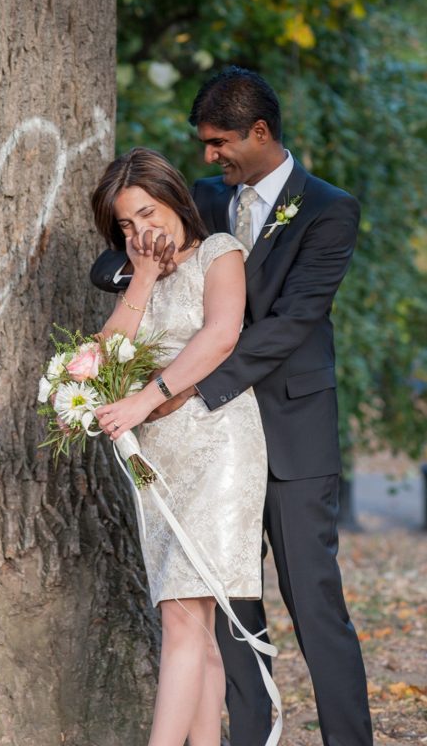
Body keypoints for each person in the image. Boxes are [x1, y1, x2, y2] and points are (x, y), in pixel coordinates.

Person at [91, 66, 373, 746]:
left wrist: (189, 387)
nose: (208, 157)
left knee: (313, 605)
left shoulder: (328, 210)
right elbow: (111, 265)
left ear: (259, 131)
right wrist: (141, 262)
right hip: (203, 442)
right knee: (229, 610)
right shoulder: (209, 199)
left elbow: (289, 323)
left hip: (287, 435)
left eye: (218, 143)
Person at [90, 146, 273, 746]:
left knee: (182, 616)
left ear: (174, 199)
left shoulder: (218, 252)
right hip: (156, 459)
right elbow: (99, 358)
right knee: (195, 621)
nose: (141, 229)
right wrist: (140, 277)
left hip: (218, 442)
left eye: (147, 211)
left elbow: (222, 335)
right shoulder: (136, 275)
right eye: (125, 223)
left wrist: (145, 398)